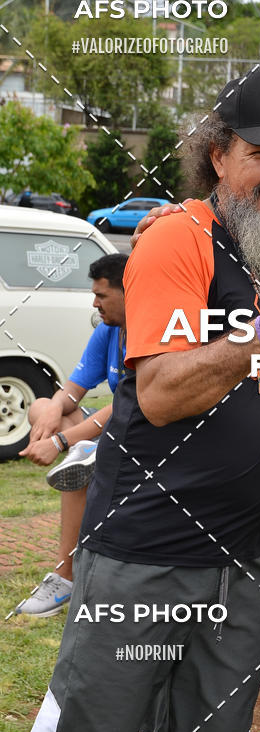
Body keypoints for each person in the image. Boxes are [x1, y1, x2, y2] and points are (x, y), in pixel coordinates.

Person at [22, 66, 260, 732]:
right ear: (218, 155)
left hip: (242, 560)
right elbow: (161, 393)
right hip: (141, 550)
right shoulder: (178, 242)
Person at [15, 254, 128, 617]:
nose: (94, 304)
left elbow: (126, 405)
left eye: (101, 295)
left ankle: (65, 575)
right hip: (111, 431)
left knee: (75, 448)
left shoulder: (153, 328)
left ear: (130, 293)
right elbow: (72, 392)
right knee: (42, 408)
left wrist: (61, 442)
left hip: (143, 435)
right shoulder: (108, 329)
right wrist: (49, 407)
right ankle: (84, 459)